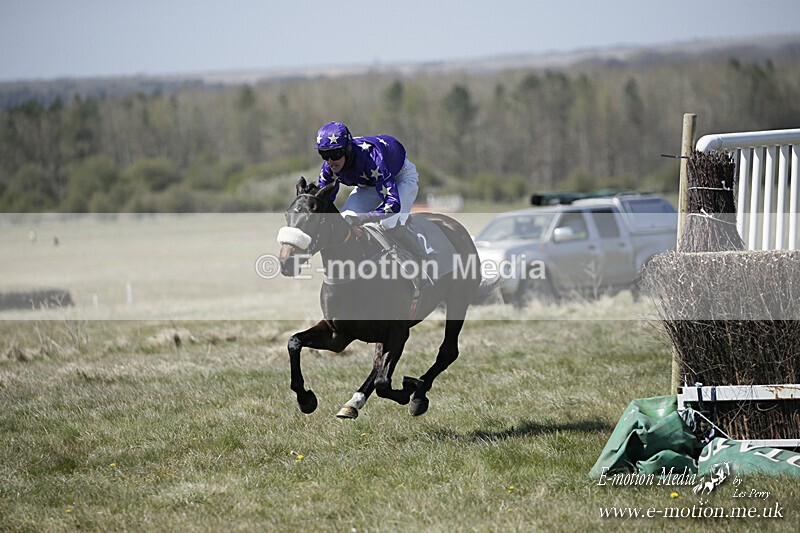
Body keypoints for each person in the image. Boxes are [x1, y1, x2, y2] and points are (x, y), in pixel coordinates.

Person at [314, 121, 425, 256]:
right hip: (370, 185)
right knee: (345, 220)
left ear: (347, 149)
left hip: (400, 177)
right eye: (324, 155)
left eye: (335, 154)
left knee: (388, 223)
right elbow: (323, 203)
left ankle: (421, 258)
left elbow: (393, 204)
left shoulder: (373, 159)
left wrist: (363, 219)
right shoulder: (328, 169)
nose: (331, 161)